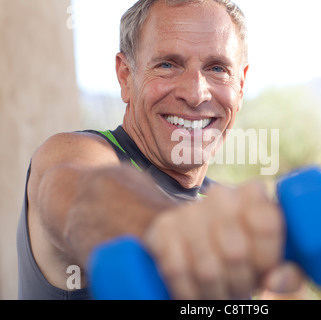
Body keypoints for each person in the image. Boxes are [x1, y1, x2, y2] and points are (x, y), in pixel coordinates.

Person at [17, 0, 304, 300]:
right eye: (167, 64)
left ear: (241, 86)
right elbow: (79, 194)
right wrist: (173, 234)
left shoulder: (228, 216)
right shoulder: (76, 153)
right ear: (126, 76)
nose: (195, 94)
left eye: (217, 68)